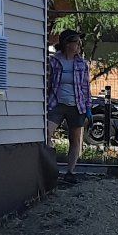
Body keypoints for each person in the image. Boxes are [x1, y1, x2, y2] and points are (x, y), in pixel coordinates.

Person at [48, 29, 92, 182]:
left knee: (75, 140)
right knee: (46, 134)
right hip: (57, 104)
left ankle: (70, 172)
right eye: (76, 42)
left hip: (77, 106)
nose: (79, 45)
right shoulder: (54, 61)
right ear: (67, 44)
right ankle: (50, 167)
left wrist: (88, 108)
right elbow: (48, 82)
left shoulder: (82, 64)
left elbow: (86, 87)